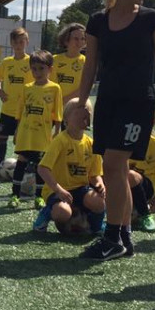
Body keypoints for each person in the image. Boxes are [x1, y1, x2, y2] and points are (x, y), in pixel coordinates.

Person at [74, 0, 155, 261]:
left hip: (137, 103)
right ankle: (124, 238)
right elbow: (90, 66)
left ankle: (112, 237)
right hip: (108, 101)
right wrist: (81, 104)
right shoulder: (97, 21)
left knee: (114, 162)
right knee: (116, 170)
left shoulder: (151, 18)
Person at [33, 97, 106, 234]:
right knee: (62, 212)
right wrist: (59, 190)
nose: (83, 116)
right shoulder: (60, 141)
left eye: (87, 113)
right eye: (78, 112)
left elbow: (95, 174)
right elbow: (42, 168)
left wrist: (100, 184)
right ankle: (47, 212)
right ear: (66, 119)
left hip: (81, 189)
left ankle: (96, 227)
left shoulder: (92, 144)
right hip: (57, 190)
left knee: (99, 202)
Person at [6, 49, 63, 210]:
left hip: (42, 134)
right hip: (26, 133)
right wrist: (17, 131)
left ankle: (39, 197)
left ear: (50, 69)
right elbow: (20, 111)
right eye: (34, 69)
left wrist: (57, 131)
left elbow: (58, 112)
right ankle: (15, 195)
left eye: (41, 69)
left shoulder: (55, 88)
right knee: (21, 161)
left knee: (40, 165)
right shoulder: (27, 87)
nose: (37, 72)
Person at [0, 27, 32, 180]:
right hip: (7, 109)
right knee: (2, 138)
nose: (18, 45)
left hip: (24, 111)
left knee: (24, 142)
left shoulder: (31, 61)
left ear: (27, 42)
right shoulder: (6, 62)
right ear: (11, 43)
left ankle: (25, 171)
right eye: (16, 42)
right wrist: (0, 91)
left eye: (21, 42)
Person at [127, 130, 155, 232]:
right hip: (129, 185)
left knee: (131, 175)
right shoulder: (126, 140)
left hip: (149, 186)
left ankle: (145, 214)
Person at [53, 22, 87, 103]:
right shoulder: (54, 60)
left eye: (82, 39)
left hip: (75, 105)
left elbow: (85, 87)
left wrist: (64, 101)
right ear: (66, 40)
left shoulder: (86, 61)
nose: (79, 42)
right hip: (54, 105)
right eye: (76, 39)